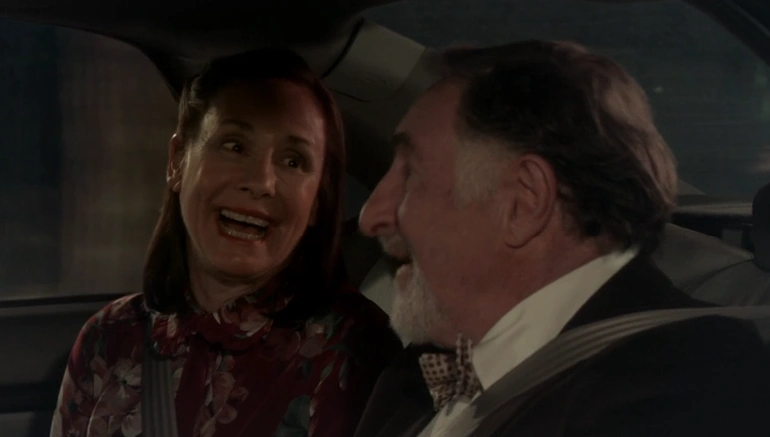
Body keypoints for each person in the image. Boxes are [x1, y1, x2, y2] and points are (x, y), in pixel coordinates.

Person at [353, 40, 770, 437]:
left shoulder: (695, 384)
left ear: (523, 203)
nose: (371, 216)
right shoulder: (415, 373)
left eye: (411, 173)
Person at [50, 48, 402, 437]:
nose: (261, 182)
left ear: (317, 199)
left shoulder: (356, 352)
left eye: (293, 161)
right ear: (178, 161)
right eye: (235, 146)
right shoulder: (109, 337)